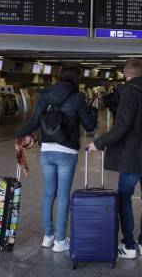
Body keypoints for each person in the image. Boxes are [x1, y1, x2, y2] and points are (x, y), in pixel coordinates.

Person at [86, 59, 142, 259]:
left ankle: (129, 245)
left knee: (124, 196)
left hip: (133, 157)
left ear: (125, 73)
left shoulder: (129, 92)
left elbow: (122, 126)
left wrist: (98, 143)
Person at [16, 65, 98, 252]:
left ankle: (48, 236)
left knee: (48, 195)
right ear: (76, 79)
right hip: (67, 151)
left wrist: (19, 133)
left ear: (59, 77)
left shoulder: (45, 94)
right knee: (63, 197)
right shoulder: (77, 98)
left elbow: (34, 121)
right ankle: (60, 241)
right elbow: (90, 126)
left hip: (46, 149)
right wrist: (91, 113)